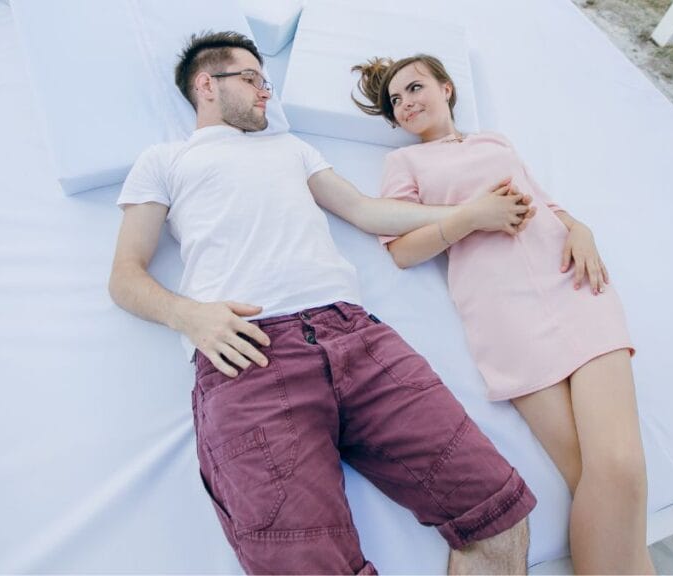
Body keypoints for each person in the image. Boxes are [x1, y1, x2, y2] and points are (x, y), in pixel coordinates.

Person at [109, 31, 541, 575]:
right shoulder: (164, 160)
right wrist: (190, 315)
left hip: (356, 337)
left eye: (267, 81)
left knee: (496, 514)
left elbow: (365, 211)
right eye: (252, 79)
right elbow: (125, 276)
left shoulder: (291, 149)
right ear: (206, 86)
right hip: (248, 359)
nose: (266, 92)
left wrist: (466, 215)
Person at [352, 54, 656, 574]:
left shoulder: (495, 141)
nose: (405, 104)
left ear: (446, 89)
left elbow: (549, 204)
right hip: (505, 318)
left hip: (574, 283)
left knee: (621, 468)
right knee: (589, 475)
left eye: (414, 88)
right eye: (395, 102)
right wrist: (471, 218)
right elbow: (401, 250)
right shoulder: (404, 165)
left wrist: (581, 229)